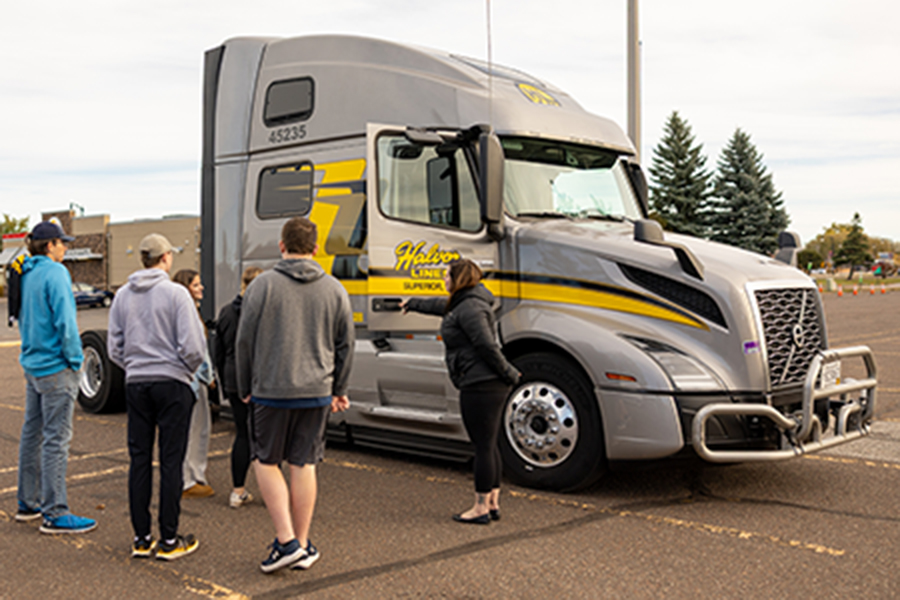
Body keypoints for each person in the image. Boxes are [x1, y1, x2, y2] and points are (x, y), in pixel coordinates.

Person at [236, 217, 354, 573]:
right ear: (316, 249)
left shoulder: (262, 287)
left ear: (281, 245)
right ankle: (302, 545)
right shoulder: (335, 289)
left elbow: (244, 341)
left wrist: (244, 386)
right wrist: (340, 388)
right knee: (304, 463)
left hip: (272, 390)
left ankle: (286, 540)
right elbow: (346, 343)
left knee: (266, 460)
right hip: (316, 391)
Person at [108, 234, 206, 560]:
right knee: (170, 460)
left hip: (137, 382)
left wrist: (135, 366)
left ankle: (141, 537)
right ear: (165, 257)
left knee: (139, 459)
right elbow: (193, 346)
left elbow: (114, 347)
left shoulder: (122, 296)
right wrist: (185, 371)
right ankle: (169, 538)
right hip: (172, 382)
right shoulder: (176, 294)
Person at [402, 259, 520, 525]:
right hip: (486, 383)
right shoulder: (465, 303)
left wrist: (509, 373)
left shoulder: (469, 308)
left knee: (482, 446)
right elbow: (439, 307)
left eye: (447, 276)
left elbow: (487, 346)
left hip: (481, 384)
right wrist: (411, 303)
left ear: (459, 278)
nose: (443, 280)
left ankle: (479, 508)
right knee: (489, 443)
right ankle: (492, 503)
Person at [15, 220, 97, 534]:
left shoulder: (25, 273)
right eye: (62, 243)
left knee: (32, 433)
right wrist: (76, 361)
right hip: (55, 368)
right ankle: (55, 512)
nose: (65, 247)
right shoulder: (56, 273)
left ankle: (28, 502)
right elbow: (65, 322)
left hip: (33, 364)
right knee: (56, 441)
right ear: (49, 245)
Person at [215, 266, 263, 509]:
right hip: (260, 382)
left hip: (234, 380)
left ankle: (237, 491)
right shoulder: (263, 312)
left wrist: (225, 385)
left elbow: (218, 352)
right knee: (266, 438)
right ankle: (273, 493)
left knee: (243, 434)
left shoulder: (225, 312)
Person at [172, 269, 215, 499]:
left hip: (192, 379)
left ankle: (195, 474)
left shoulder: (187, 312)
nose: (201, 288)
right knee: (194, 431)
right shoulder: (187, 314)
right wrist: (205, 375)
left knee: (197, 430)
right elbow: (196, 351)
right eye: (196, 285)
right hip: (192, 381)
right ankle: (189, 479)